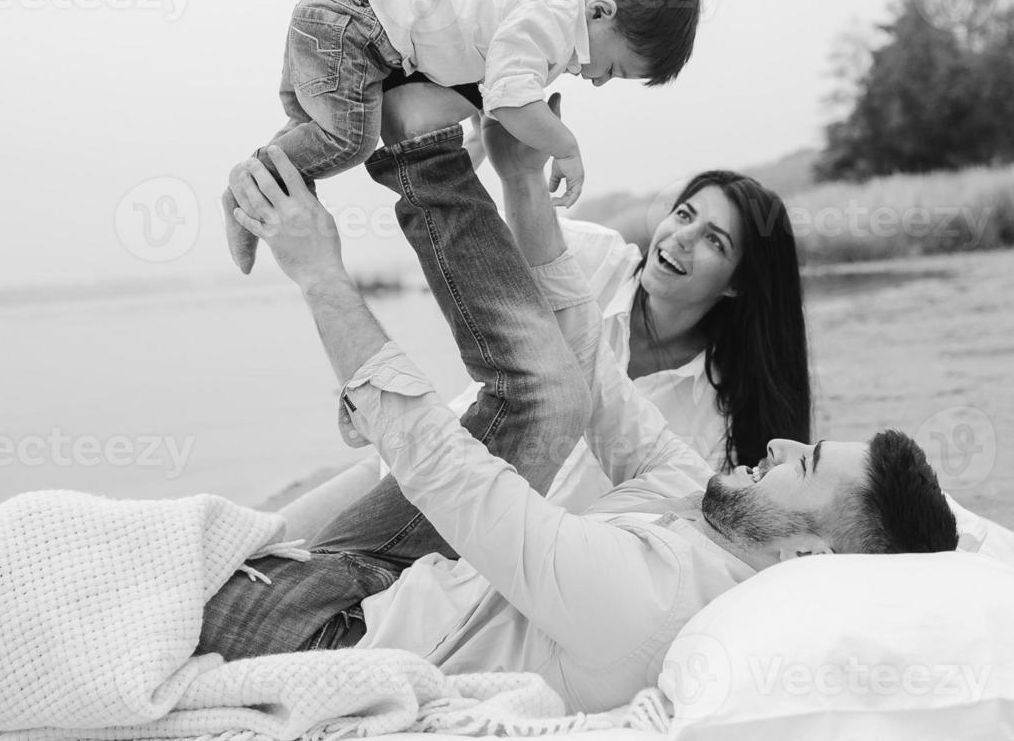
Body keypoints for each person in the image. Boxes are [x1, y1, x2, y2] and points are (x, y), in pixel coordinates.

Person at [198, 120, 959, 712]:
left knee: (547, 399)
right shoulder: (704, 505)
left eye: (809, 462)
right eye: (684, 216)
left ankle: (422, 147)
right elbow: (592, 366)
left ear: (810, 560)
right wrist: (521, 174)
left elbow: (464, 485)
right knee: (560, 389)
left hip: (341, 626)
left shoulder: (649, 602)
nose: (785, 442)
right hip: (405, 549)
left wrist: (322, 277)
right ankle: (424, 148)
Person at [279, 102, 813, 534]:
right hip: (423, 469)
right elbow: (471, 262)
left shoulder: (720, 418)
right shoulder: (591, 258)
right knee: (262, 544)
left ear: (739, 282)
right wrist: (461, 161)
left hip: (506, 556)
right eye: (684, 215)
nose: (682, 239)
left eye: (714, 241)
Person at [224, 0, 702, 273]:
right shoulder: (552, 19)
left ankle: (254, 195)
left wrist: (477, 137)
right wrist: (567, 147)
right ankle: (245, 187)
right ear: (600, 11)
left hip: (342, 12)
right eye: (613, 69)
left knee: (310, 134)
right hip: (352, 20)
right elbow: (510, 97)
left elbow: (485, 77)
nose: (598, 81)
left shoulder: (541, 3)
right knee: (347, 140)